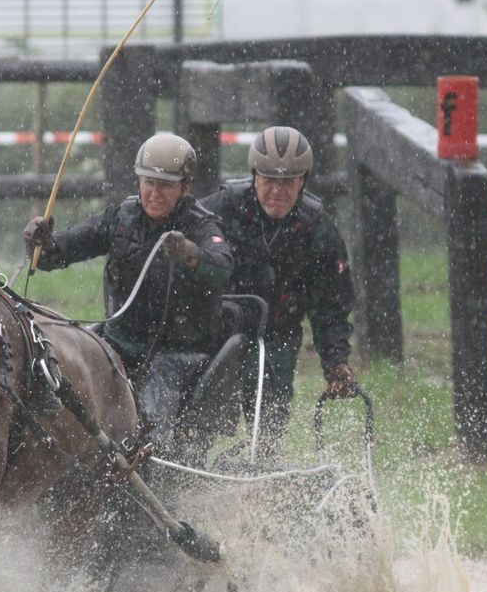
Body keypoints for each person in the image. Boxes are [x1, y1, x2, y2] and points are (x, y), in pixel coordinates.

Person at [23, 133, 234, 448]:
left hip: (177, 353)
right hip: (117, 344)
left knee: (150, 407)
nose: (154, 193)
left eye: (165, 185)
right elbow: (59, 254)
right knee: (66, 371)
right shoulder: (120, 219)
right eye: (148, 182)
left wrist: (192, 255)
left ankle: (147, 459)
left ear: (185, 187)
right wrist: (42, 243)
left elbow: (222, 267)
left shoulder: (202, 225)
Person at [201, 126, 357, 440]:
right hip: (215, 330)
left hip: (277, 335)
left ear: (303, 182)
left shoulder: (319, 231)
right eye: (269, 180)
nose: (277, 191)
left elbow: (331, 309)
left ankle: (265, 468)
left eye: (288, 182)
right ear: (254, 176)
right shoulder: (220, 209)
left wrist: (335, 361)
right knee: (203, 412)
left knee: (270, 418)